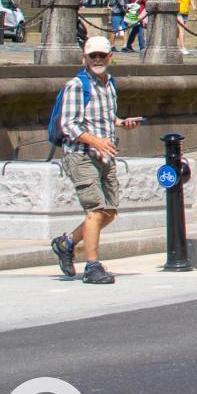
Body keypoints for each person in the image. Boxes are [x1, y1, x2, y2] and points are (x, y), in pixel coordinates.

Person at [48, 36, 144, 286]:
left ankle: (66, 243)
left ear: (110, 57)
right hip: (81, 155)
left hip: (105, 154)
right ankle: (92, 266)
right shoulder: (76, 86)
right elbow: (69, 125)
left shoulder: (109, 83)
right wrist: (95, 142)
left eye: (102, 55)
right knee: (95, 210)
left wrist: (122, 122)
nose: (98, 60)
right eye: (93, 56)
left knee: (109, 212)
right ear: (85, 58)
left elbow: (105, 116)